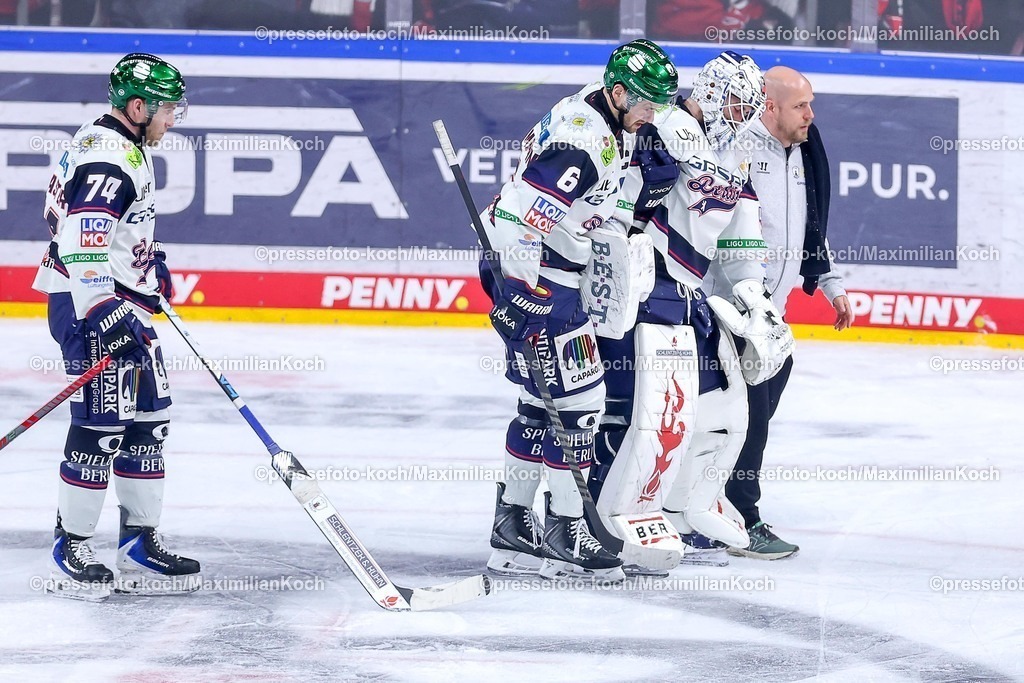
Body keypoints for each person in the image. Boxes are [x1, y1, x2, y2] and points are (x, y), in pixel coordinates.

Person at [482, 39, 678, 582]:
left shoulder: (606, 114)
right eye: (645, 103)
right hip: (538, 281)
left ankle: (514, 527)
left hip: (550, 274)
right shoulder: (582, 145)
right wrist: (516, 297)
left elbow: (593, 205)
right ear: (618, 93)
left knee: (535, 406)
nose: (652, 115)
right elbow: (519, 221)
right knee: (580, 405)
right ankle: (568, 530)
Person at [590, 51, 794, 567]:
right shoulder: (664, 128)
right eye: (731, 101)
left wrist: (755, 298)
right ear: (707, 92)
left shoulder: (735, 154)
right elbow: (619, 203)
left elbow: (741, 238)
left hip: (687, 293)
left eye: (747, 107)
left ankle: (690, 503)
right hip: (645, 289)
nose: (738, 114)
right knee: (644, 412)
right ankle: (603, 513)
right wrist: (619, 254)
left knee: (726, 405)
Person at [32, 53, 200, 600]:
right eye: (169, 108)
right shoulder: (111, 157)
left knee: (150, 417)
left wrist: (144, 260)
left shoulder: (113, 141)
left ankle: (137, 539)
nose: (174, 118)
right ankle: (71, 543)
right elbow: (80, 242)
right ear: (138, 107)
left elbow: (93, 227)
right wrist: (103, 308)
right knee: (103, 424)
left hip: (116, 298)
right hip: (89, 306)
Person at [716, 65, 852, 560]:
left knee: (751, 417)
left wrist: (831, 283)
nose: (810, 114)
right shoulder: (739, 152)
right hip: (731, 313)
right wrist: (737, 300)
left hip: (772, 316)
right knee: (748, 421)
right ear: (769, 106)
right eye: (800, 105)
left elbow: (812, 225)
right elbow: (710, 228)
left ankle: (710, 505)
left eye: (810, 103)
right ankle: (741, 517)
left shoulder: (805, 153)